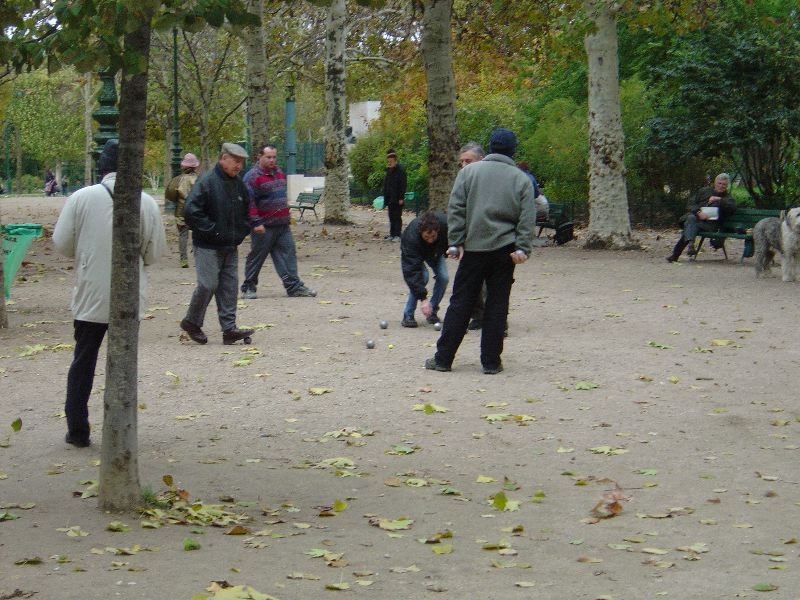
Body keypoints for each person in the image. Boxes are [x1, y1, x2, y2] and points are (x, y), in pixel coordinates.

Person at [52, 139, 166, 447]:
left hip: (91, 295)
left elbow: (62, 243)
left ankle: (78, 429)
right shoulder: (146, 202)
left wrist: (87, 252)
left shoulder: (81, 198)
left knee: (83, 361)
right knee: (124, 362)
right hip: (130, 296)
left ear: (102, 167)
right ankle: (121, 427)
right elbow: (154, 253)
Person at [425, 128, 537, 375]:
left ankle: (443, 359)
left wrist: (456, 241)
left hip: (473, 248)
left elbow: (456, 208)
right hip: (505, 250)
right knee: (497, 305)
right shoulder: (521, 179)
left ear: (490, 147)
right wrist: (522, 247)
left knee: (460, 303)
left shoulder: (469, 173)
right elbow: (527, 217)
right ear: (512, 150)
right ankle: (491, 362)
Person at [180, 143, 255, 345]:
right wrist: (213, 230)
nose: (239, 166)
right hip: (207, 245)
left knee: (229, 287)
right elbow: (190, 211)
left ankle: (229, 329)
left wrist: (242, 230)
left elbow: (246, 210)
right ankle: (191, 322)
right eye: (235, 161)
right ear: (223, 158)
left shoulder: (238, 184)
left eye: (241, 162)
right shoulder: (207, 181)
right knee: (208, 284)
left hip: (230, 244)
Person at [239, 144, 316, 299]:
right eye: (268, 157)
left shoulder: (279, 172)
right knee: (257, 257)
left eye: (274, 157)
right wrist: (255, 222)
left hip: (282, 225)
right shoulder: (252, 177)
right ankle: (248, 287)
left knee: (289, 254)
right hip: (264, 226)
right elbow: (249, 202)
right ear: (259, 157)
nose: (272, 160)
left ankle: (293, 286)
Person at [666, 173, 736, 262]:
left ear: (727, 186)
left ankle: (677, 254)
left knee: (689, 226)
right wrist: (699, 212)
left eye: (724, 184)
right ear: (715, 183)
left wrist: (719, 199)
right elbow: (690, 204)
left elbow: (732, 207)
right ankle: (690, 246)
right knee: (691, 219)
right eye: (719, 183)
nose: (721, 186)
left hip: (712, 226)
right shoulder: (704, 191)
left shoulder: (728, 197)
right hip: (698, 221)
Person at [400, 211, 449, 328]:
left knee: (444, 277)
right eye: (426, 237)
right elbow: (412, 272)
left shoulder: (445, 225)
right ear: (420, 232)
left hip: (435, 251)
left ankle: (432, 311)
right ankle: (408, 314)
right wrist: (423, 299)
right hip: (416, 252)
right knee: (423, 277)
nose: (430, 240)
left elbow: (455, 238)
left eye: (433, 236)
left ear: (438, 231)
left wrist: (450, 249)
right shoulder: (411, 238)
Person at [166, 152, 200, 268]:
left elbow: (170, 195)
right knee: (198, 234)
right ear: (195, 166)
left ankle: (183, 260)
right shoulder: (200, 180)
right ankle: (198, 258)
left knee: (183, 235)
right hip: (196, 210)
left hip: (181, 211)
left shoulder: (177, 179)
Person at [382, 149, 407, 241]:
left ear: (395, 160)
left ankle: (398, 235)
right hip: (390, 198)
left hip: (397, 198)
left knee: (397, 216)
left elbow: (403, 184)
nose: (389, 163)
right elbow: (386, 184)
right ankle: (392, 234)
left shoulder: (401, 170)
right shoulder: (389, 170)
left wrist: (401, 197)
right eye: (388, 161)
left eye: (391, 161)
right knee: (391, 216)